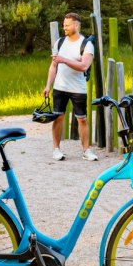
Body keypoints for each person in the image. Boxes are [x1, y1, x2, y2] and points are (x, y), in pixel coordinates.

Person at [43, 12, 98, 162]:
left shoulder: (86, 45)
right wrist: (48, 86)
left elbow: (84, 66)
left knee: (82, 119)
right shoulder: (60, 42)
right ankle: (56, 149)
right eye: (63, 25)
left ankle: (86, 150)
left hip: (78, 89)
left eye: (67, 25)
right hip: (60, 87)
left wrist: (64, 60)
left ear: (76, 25)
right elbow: (53, 66)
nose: (64, 27)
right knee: (58, 117)